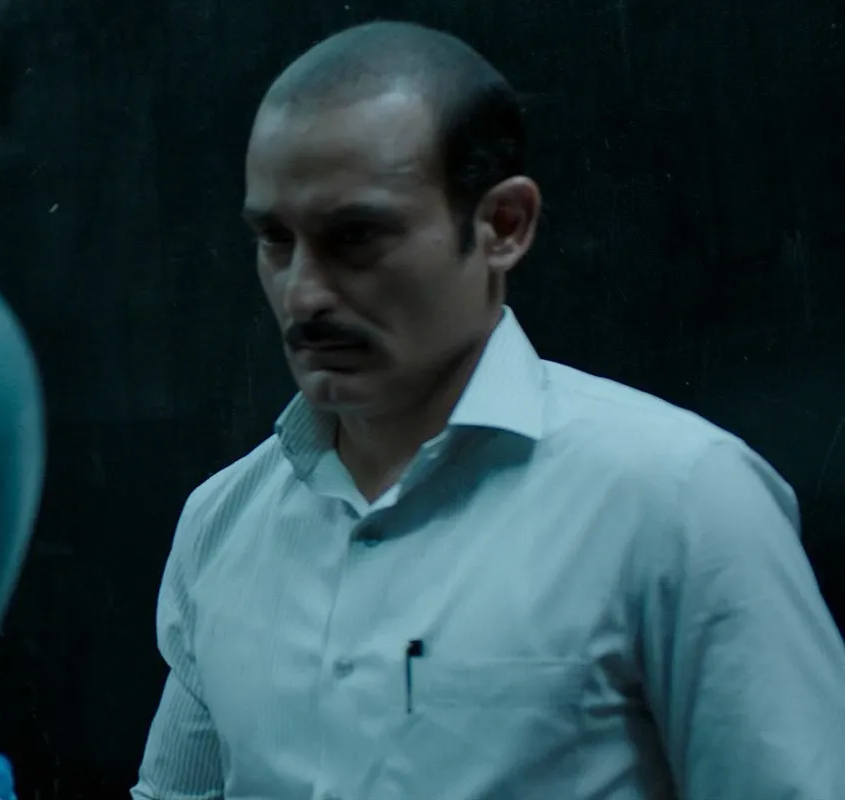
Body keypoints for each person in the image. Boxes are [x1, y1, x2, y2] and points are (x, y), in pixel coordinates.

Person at [132, 19, 845, 800]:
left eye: (356, 237)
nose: (302, 294)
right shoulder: (222, 524)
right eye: (275, 240)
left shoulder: (680, 501)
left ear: (503, 226)